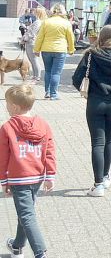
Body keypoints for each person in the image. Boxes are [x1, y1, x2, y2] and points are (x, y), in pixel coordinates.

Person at [72, 25, 111, 198]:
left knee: (97, 142)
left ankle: (98, 185)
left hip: (95, 101)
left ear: (101, 37)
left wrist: (87, 90)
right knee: (109, 139)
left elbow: (77, 79)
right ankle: (105, 177)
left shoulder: (91, 54)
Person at [0, 85, 56, 258]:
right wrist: (50, 175)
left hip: (19, 179)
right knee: (25, 213)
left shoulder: (7, 127)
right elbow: (50, 150)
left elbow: (3, 157)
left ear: (15, 107)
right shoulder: (43, 124)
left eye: (7, 104)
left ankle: (40, 253)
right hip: (37, 176)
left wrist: (4, 181)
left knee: (27, 216)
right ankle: (17, 246)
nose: (6, 106)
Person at [33, 3, 76, 101]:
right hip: (60, 50)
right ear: (63, 11)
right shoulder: (66, 23)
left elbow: (40, 37)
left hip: (46, 49)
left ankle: (47, 92)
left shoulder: (46, 22)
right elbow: (70, 38)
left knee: (48, 71)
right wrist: (71, 50)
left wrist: (36, 49)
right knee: (56, 73)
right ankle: (53, 94)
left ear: (52, 11)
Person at [25, 7, 47, 84]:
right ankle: (35, 76)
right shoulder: (38, 21)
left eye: (35, 11)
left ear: (39, 13)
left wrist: (24, 38)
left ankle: (37, 77)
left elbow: (32, 33)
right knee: (32, 60)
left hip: (32, 42)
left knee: (34, 60)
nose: (33, 12)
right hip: (31, 42)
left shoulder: (38, 22)